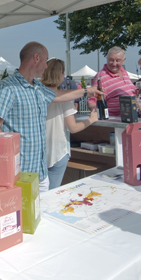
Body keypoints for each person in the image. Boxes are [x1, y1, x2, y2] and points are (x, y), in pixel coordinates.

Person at [0, 42, 101, 192]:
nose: (46, 67)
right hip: (20, 173)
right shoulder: (7, 88)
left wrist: (87, 91)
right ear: (36, 58)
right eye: (45, 61)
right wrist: (7, 166)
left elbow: (58, 96)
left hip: (40, 171)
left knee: (41, 213)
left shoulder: (37, 87)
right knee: (23, 215)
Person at [42, 59, 99, 189]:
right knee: (52, 194)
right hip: (58, 152)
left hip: (39, 153)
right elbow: (73, 127)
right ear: (60, 74)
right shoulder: (66, 98)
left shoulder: (37, 94)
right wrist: (91, 120)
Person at [87, 47, 137, 118]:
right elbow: (92, 102)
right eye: (111, 60)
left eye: (118, 60)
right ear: (107, 59)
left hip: (130, 118)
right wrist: (98, 114)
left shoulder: (123, 71)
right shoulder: (101, 78)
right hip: (116, 122)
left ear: (123, 60)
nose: (114, 63)